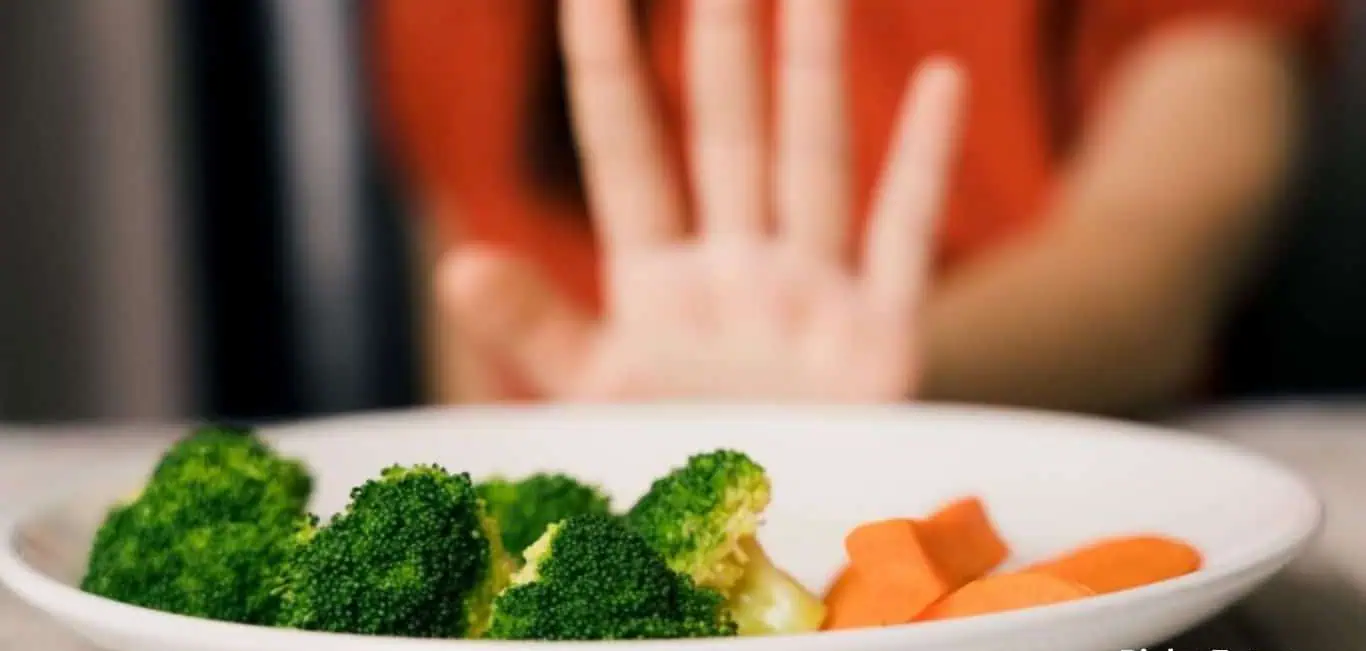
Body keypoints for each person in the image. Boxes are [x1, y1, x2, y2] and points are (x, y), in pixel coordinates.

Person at [371, 0, 1333, 415]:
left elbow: (1152, 268)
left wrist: (883, 367)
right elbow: (477, 339)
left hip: (1048, 564)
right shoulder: (458, 20)